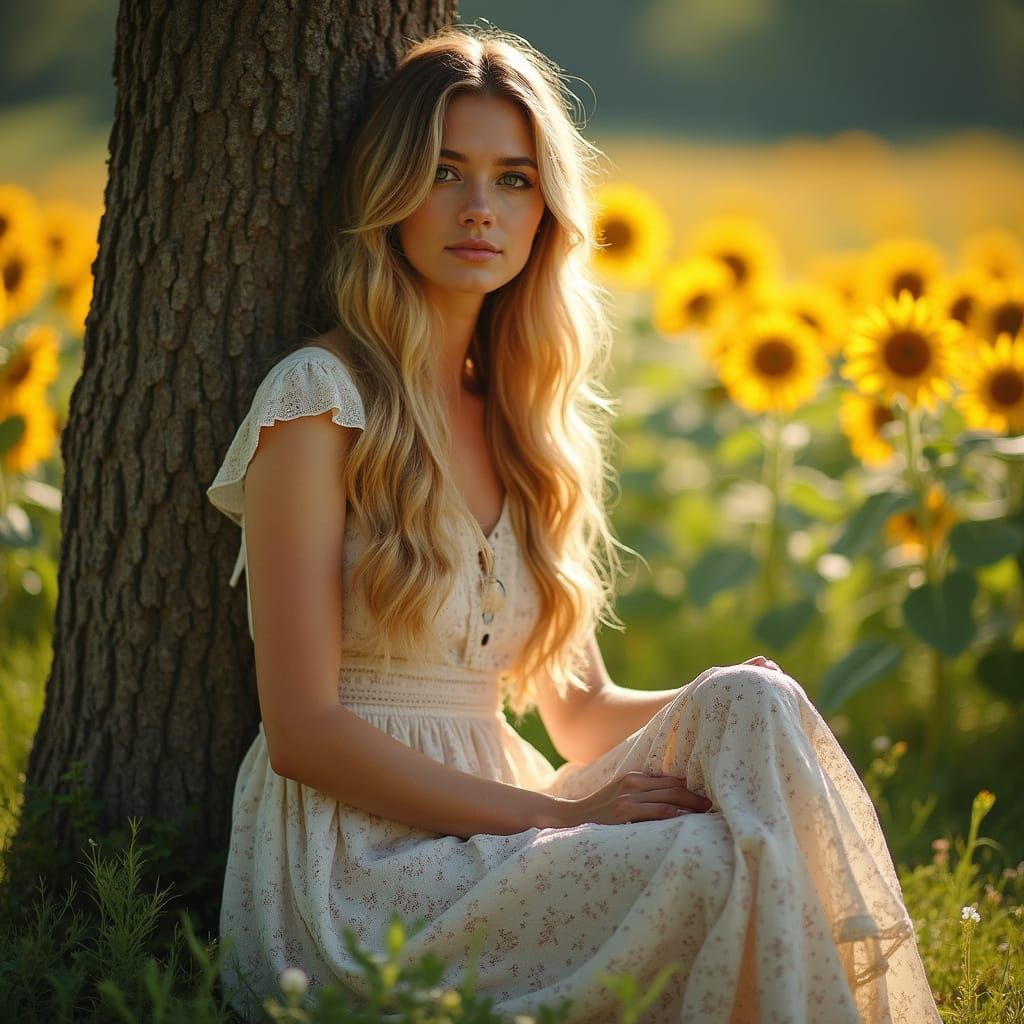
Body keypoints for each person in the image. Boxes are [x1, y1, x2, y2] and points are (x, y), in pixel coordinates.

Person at [207, 23, 940, 1024]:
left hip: (501, 828)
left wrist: (722, 694)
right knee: (700, 860)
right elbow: (303, 732)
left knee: (752, 705)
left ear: (546, 206)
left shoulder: (521, 424)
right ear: (387, 194)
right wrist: (557, 812)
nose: (479, 208)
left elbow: (578, 710)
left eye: (512, 179)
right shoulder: (320, 398)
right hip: (355, 865)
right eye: (445, 172)